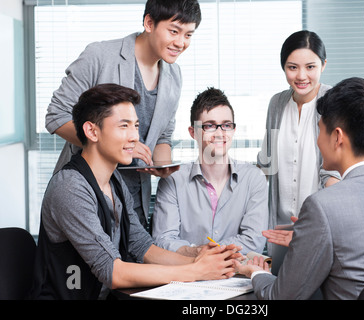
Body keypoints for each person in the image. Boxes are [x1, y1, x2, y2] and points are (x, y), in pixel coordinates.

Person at [29, 84, 241, 300]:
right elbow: (112, 271)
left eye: (136, 126)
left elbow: (142, 246)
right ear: (92, 131)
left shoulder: (114, 181)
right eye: (124, 126)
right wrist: (195, 271)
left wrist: (200, 259)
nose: (134, 137)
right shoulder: (70, 188)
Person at [234, 77, 364, 300]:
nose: (318, 142)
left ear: (337, 137)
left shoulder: (323, 206)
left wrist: (257, 273)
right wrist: (312, 241)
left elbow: (281, 297)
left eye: (319, 131)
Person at [45, 0, 202, 229]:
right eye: (174, 31)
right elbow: (56, 116)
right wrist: (113, 145)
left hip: (134, 201)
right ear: (149, 23)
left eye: (188, 35)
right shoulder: (99, 56)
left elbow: (162, 136)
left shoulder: (174, 75)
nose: (180, 43)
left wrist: (161, 164)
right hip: (86, 194)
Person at [152, 87, 268, 257]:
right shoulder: (173, 180)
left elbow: (254, 241)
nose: (220, 133)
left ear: (234, 130)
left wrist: (200, 252)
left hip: (236, 277)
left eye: (226, 125)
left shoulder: (253, 178)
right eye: (210, 126)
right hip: (187, 278)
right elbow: (163, 240)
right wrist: (198, 252)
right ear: (193, 132)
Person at [257, 30, 340, 260]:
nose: (301, 76)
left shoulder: (334, 101)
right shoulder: (277, 103)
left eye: (310, 67)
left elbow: (336, 172)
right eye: (292, 67)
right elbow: (267, 161)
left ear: (323, 65)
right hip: (280, 228)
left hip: (320, 227)